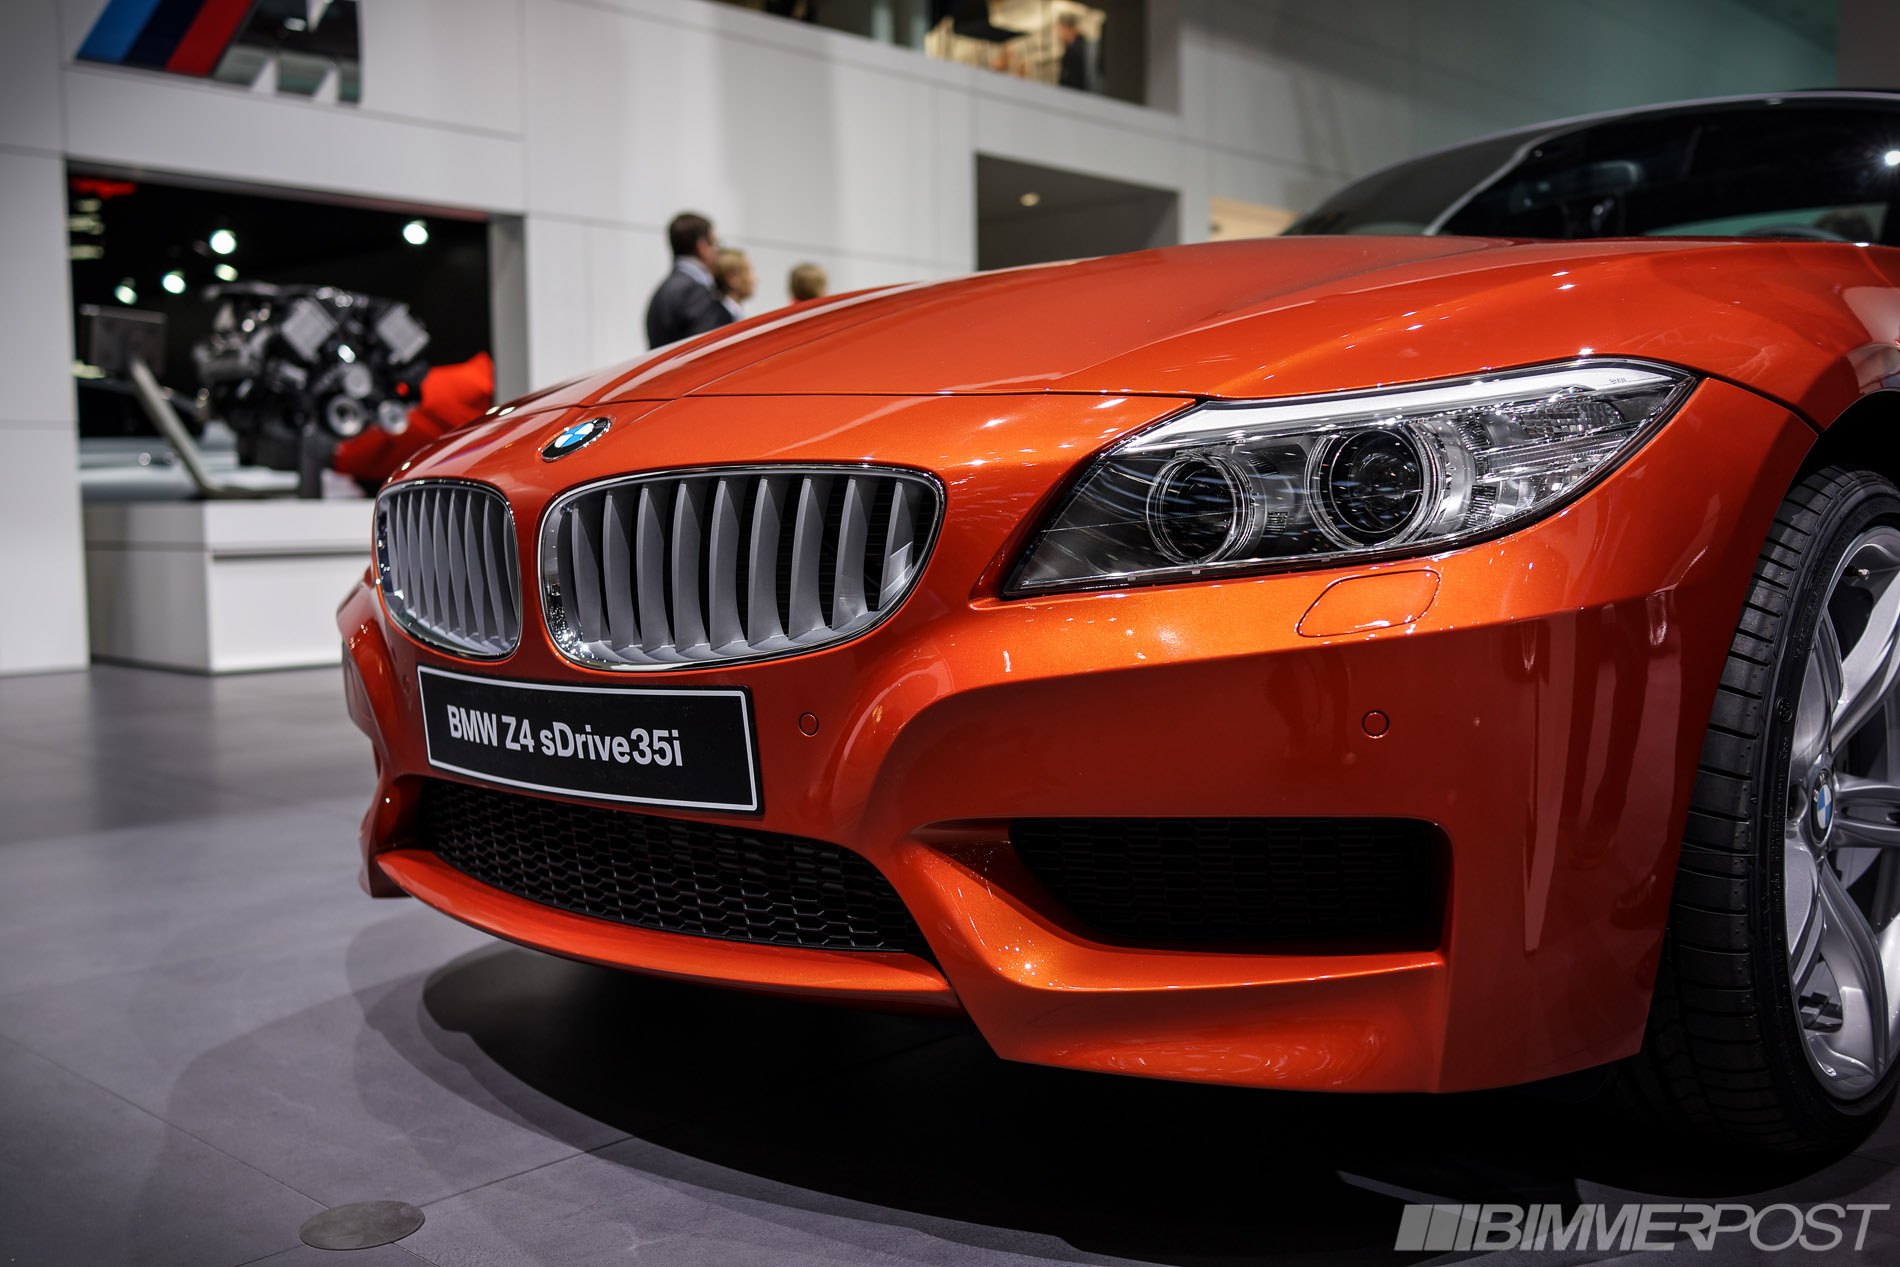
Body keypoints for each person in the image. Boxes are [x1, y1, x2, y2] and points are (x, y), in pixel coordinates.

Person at [644, 212, 734, 348]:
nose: (718, 251)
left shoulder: (662, 291)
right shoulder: (695, 292)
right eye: (716, 244)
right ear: (702, 247)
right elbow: (707, 350)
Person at [714, 247, 756, 321]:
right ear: (732, 280)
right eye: (748, 272)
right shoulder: (720, 319)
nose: (755, 279)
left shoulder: (736, 314)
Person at [1056, 12, 1091, 91]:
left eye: (1060, 29)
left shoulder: (1076, 50)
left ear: (1068, 28)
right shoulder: (1078, 47)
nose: (1059, 34)